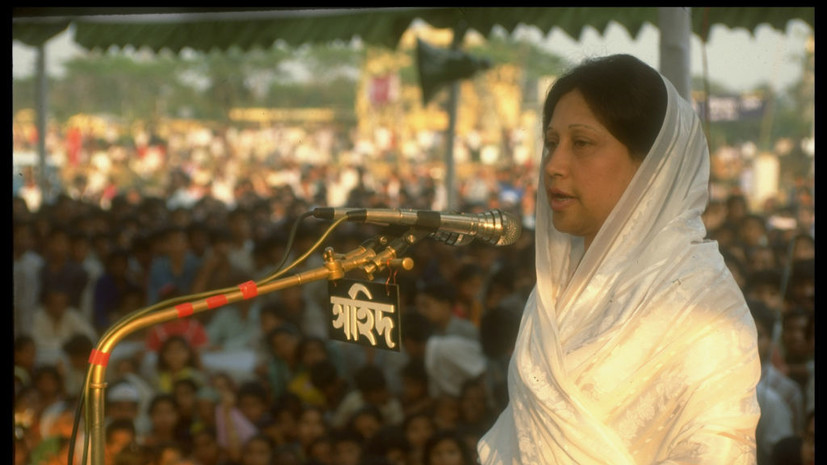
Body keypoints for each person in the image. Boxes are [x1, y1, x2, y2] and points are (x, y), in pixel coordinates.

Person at [477, 54, 761, 464]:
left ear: (654, 165)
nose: (553, 166)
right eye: (552, 143)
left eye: (582, 143)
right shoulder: (558, 290)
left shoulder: (704, 313)